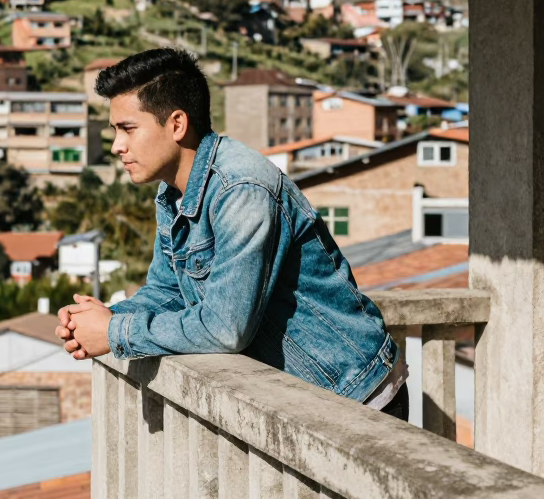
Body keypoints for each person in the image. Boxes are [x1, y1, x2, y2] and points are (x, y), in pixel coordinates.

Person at [56, 48, 407, 418]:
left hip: (356, 394)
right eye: (114, 131)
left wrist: (115, 332)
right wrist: (101, 319)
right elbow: (167, 290)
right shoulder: (173, 192)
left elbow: (226, 328)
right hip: (303, 401)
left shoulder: (242, 188)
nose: (116, 146)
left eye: (128, 129)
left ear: (176, 124)